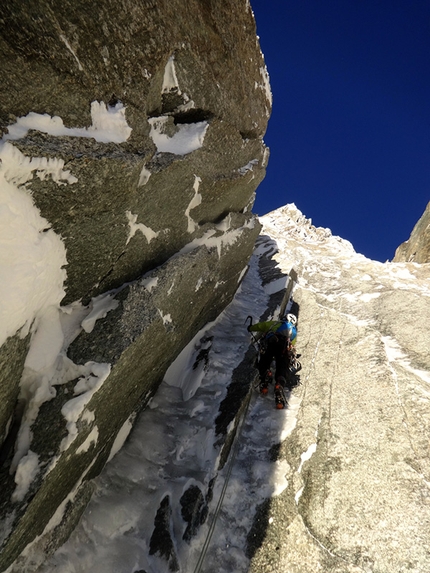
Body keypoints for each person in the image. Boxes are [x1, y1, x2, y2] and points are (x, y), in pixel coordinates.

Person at [247, 313, 298, 409]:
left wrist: (250, 328)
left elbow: (262, 326)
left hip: (272, 343)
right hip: (284, 348)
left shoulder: (276, 323)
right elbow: (292, 345)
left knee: (265, 359)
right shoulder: (293, 333)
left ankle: (265, 375)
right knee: (282, 366)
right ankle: (279, 383)